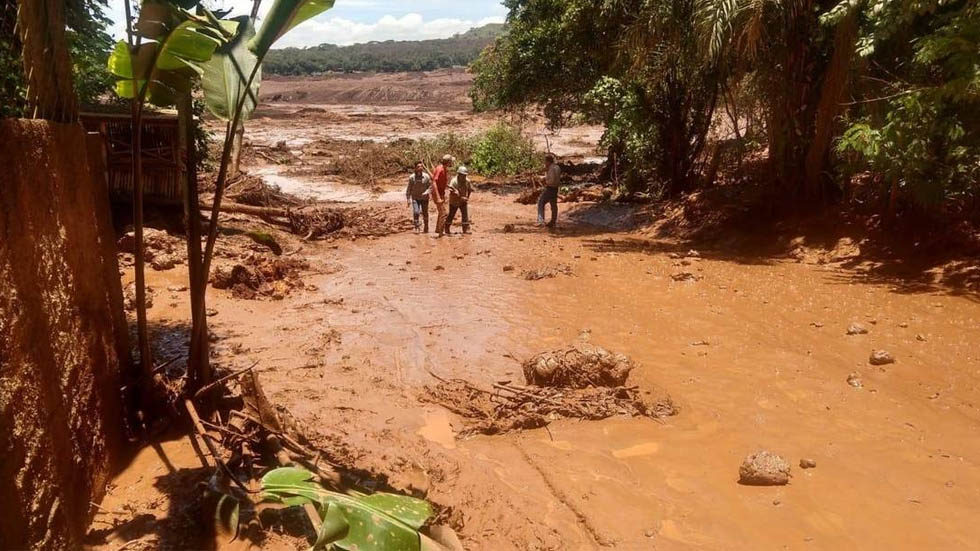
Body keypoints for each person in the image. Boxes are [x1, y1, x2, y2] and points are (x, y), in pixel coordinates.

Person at [405, 161, 431, 233]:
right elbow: (409, 189)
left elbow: (430, 187)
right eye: (418, 167)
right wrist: (408, 199)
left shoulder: (426, 176)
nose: (420, 168)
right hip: (415, 198)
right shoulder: (412, 177)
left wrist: (427, 192)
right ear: (415, 168)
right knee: (416, 212)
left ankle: (426, 227)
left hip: (424, 198)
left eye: (421, 166)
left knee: (425, 212)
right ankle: (416, 227)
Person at [430, 154, 452, 237]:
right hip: (437, 194)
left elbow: (441, 182)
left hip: (441, 193)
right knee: (444, 213)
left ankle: (438, 229)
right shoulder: (440, 169)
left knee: (441, 212)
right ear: (448, 162)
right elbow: (434, 182)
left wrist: (450, 187)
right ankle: (440, 233)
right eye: (451, 161)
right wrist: (438, 197)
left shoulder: (444, 169)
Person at [445, 165, 472, 234]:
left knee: (465, 215)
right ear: (459, 174)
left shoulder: (467, 181)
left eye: (465, 175)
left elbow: (469, 189)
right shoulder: (454, 181)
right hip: (454, 201)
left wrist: (467, 197)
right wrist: (458, 195)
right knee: (451, 214)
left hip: (463, 201)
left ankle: (465, 229)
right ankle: (446, 228)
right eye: (463, 175)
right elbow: (451, 190)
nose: (464, 177)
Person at [537, 153, 561, 228]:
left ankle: (541, 221)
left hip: (550, 187)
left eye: (545, 161)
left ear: (548, 161)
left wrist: (545, 180)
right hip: (556, 188)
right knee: (553, 205)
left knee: (541, 202)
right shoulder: (557, 167)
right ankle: (553, 221)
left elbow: (551, 180)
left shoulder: (551, 168)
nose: (545, 163)